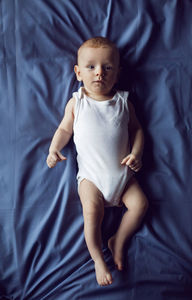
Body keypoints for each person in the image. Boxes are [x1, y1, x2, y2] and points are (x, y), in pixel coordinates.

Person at [46, 37, 148, 286]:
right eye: (91, 67)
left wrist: (136, 153)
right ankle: (98, 260)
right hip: (91, 178)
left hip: (123, 175)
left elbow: (137, 131)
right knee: (92, 213)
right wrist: (53, 149)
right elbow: (63, 131)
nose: (99, 73)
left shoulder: (124, 102)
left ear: (118, 73)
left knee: (140, 204)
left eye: (108, 67)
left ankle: (118, 240)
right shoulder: (77, 102)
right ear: (78, 72)